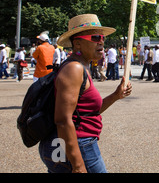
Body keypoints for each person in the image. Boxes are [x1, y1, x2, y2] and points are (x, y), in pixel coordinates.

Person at [39, 14, 132, 173]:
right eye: (95, 37)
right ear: (78, 44)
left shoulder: (80, 67)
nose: (102, 41)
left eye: (102, 37)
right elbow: (62, 120)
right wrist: (78, 165)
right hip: (77, 144)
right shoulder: (74, 69)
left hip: (62, 143)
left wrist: (116, 96)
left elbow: (86, 112)